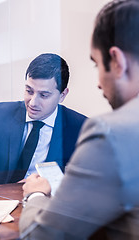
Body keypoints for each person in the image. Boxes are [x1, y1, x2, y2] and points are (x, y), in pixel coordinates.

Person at [19, 0, 139, 239]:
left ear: (116, 61)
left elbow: (41, 235)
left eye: (96, 64)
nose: (97, 82)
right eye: (29, 91)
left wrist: (35, 195)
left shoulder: (109, 133)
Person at [0, 53, 86, 185]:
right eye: (29, 91)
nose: (33, 102)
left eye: (44, 95)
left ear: (62, 95)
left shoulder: (80, 127)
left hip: (45, 201)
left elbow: (86, 177)